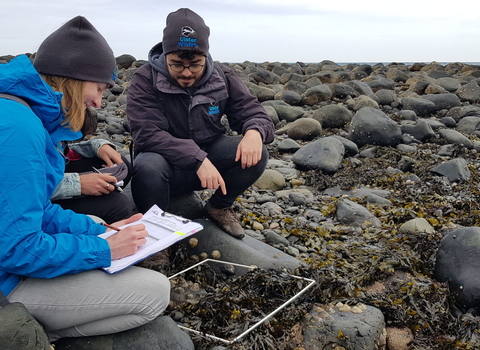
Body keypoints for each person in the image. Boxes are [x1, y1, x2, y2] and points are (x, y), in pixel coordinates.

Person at [0, 16, 170, 342]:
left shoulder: (19, 113)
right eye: (99, 88)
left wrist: (101, 231)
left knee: (93, 218)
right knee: (155, 293)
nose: (98, 102)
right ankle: (30, 334)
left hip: (9, 254)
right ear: (74, 80)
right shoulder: (19, 133)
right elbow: (18, 249)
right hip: (6, 279)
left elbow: (33, 211)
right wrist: (103, 251)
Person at [127, 8, 275, 239]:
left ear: (206, 57)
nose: (186, 73)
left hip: (210, 160)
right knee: (147, 165)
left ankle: (218, 206)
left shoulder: (222, 75)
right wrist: (197, 158)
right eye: (176, 64)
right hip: (165, 167)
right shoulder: (145, 79)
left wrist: (255, 132)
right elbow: (147, 134)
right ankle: (153, 229)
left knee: (257, 152)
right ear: (165, 55)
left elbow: (252, 111)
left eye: (195, 64)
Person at [50, 112, 135, 223]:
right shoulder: (28, 124)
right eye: (98, 93)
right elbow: (27, 187)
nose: (97, 103)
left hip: (53, 175)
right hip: (39, 203)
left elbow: (59, 150)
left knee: (121, 166)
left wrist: (95, 147)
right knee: (120, 205)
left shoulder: (45, 109)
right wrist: (78, 184)